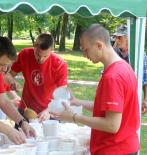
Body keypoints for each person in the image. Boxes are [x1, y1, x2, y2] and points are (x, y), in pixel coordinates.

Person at [52, 24, 140, 155]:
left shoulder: (112, 77)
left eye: (86, 49)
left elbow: (112, 125)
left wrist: (75, 117)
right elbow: (110, 109)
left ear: (99, 45)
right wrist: (78, 102)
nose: (84, 55)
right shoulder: (124, 67)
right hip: (125, 146)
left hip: (114, 149)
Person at [8, 33, 68, 122]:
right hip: (26, 109)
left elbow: (62, 94)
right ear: (34, 46)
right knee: (20, 135)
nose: (41, 59)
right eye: (38, 54)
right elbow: (9, 74)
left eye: (45, 56)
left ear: (52, 50)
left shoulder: (59, 64)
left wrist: (48, 111)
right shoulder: (24, 55)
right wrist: (13, 82)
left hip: (49, 111)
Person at [113, 25, 147, 113]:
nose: (117, 40)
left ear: (128, 38)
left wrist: (145, 99)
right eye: (116, 37)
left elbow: (145, 80)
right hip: (115, 94)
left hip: (131, 96)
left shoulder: (139, 55)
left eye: (120, 38)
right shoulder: (115, 52)